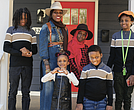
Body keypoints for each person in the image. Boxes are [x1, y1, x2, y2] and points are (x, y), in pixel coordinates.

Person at [3, 7, 37, 110]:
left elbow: (35, 50)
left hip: (27, 66)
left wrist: (29, 53)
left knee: (26, 91)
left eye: (25, 18)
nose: (23, 21)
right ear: (17, 18)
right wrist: (20, 53)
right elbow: (6, 47)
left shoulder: (31, 32)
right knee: (12, 91)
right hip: (14, 66)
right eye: (21, 18)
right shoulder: (11, 30)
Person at [39, 2, 68, 110]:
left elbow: (66, 47)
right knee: (48, 89)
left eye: (60, 12)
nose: (58, 14)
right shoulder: (45, 28)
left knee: (61, 88)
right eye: (55, 12)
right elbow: (42, 47)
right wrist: (47, 66)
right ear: (51, 14)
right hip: (49, 61)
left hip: (62, 62)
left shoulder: (65, 29)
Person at [107, 11, 134, 110]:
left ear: (131, 21)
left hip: (130, 72)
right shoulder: (115, 36)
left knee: (127, 97)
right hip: (118, 70)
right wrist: (107, 69)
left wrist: (133, 74)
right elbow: (112, 55)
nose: (124, 23)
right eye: (122, 21)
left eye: (126, 20)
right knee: (119, 96)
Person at [76, 45, 113, 110]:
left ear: (101, 55)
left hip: (102, 102)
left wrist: (110, 104)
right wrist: (79, 102)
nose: (94, 60)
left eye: (97, 57)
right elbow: (82, 86)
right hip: (87, 102)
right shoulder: (85, 69)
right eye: (91, 57)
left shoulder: (107, 70)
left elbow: (109, 88)